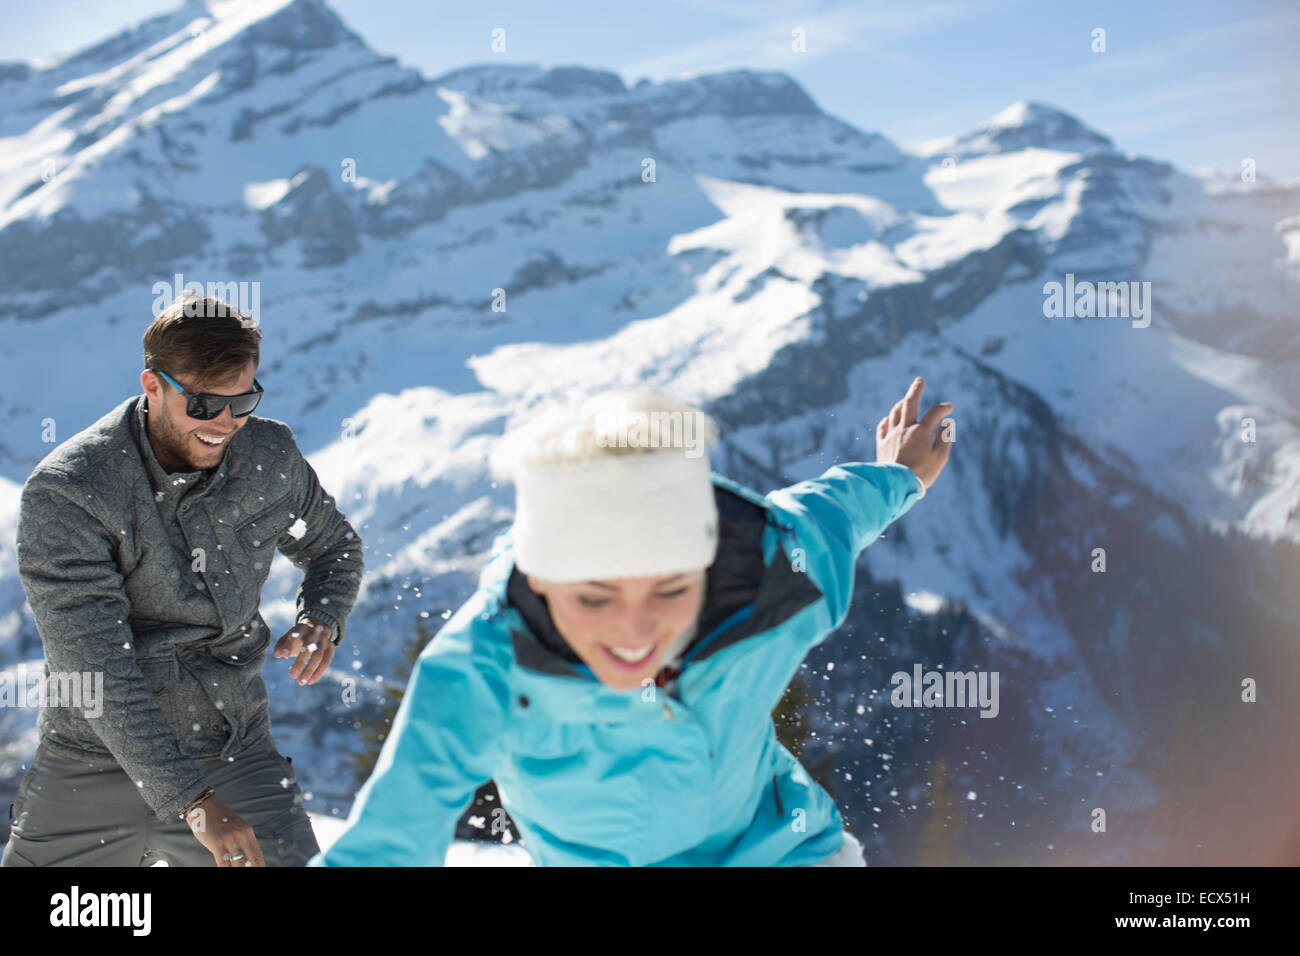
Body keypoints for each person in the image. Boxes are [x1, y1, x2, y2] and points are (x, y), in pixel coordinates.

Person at [313, 377, 952, 866]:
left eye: (672, 588)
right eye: (594, 598)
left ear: (704, 563)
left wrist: (900, 475)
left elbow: (835, 510)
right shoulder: (484, 667)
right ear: (539, 577)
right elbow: (390, 837)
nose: (636, 631)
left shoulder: (774, 578)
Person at [2, 294, 364, 867]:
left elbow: (334, 547)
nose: (225, 425)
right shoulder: (72, 492)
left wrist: (322, 615)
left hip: (233, 749)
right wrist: (192, 801)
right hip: (92, 762)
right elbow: (95, 671)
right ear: (153, 386)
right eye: (203, 404)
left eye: (242, 400)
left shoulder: (269, 455)